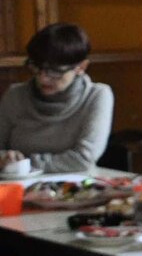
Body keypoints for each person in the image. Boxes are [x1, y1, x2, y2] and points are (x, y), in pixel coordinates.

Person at [0, 21, 114, 175]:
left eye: (55, 72)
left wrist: (26, 163)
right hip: (16, 186)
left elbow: (83, 159)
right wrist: (5, 159)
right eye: (36, 68)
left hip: (75, 189)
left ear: (81, 67)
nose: (43, 79)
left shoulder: (96, 95)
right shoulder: (15, 95)